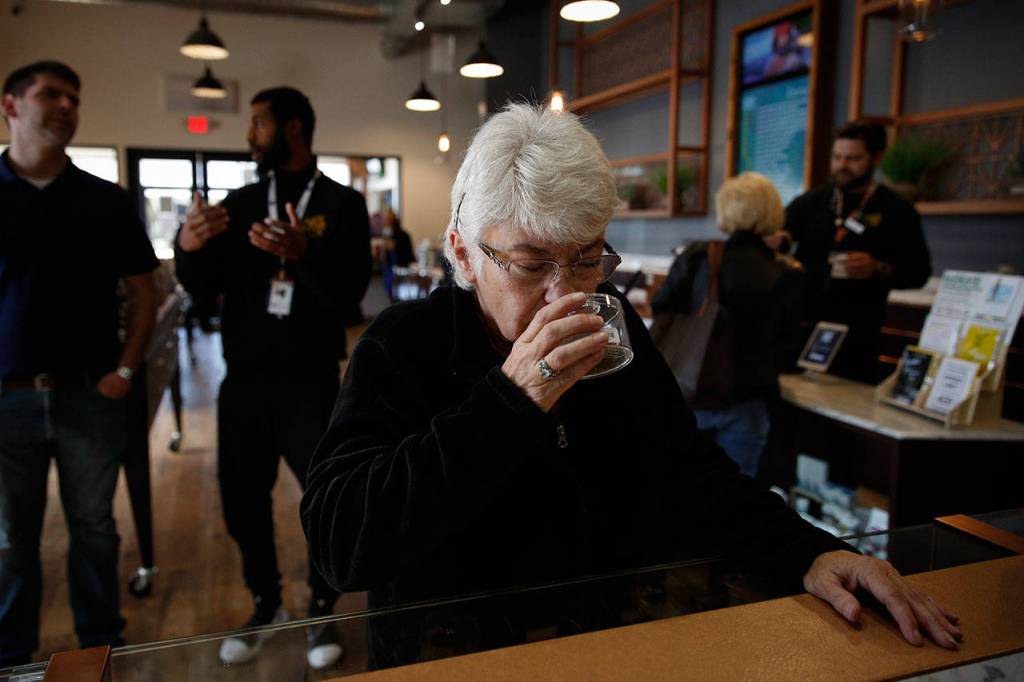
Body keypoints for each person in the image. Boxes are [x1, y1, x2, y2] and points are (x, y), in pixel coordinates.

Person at [301, 104, 962, 667]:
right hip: (459, 661)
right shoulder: (402, 344)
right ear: (464, 252)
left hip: (611, 645)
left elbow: (690, 470)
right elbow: (341, 545)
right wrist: (512, 399)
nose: (566, 293)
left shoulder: (610, 319)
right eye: (532, 264)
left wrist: (810, 552)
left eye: (588, 257)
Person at [174, 86, 371, 669]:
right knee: (241, 500)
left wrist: (305, 253)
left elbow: (349, 296)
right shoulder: (238, 203)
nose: (249, 134)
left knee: (325, 495)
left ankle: (319, 604)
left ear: (291, 128)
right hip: (245, 378)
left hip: (310, 379)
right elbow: (200, 284)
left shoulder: (341, 205)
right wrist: (187, 244)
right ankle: (265, 602)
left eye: (257, 122)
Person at [0, 61, 158, 666]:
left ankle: (101, 650)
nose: (67, 104)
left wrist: (125, 369)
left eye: (74, 95)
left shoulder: (105, 201)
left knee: (94, 530)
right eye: (51, 94)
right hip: (7, 395)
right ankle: (12, 655)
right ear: (12, 105)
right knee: (12, 540)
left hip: (89, 393)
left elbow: (144, 292)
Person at [652, 172, 802, 477]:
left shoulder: (696, 257)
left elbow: (661, 308)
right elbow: (786, 338)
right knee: (736, 502)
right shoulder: (784, 273)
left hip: (688, 394)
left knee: (680, 491)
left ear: (725, 210)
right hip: (745, 402)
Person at [785, 121, 932, 383]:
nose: (842, 165)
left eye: (853, 158)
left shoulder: (897, 210)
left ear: (876, 158)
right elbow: (780, 238)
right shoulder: (812, 202)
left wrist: (878, 267)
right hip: (802, 325)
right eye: (837, 157)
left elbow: (919, 272)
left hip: (859, 334)